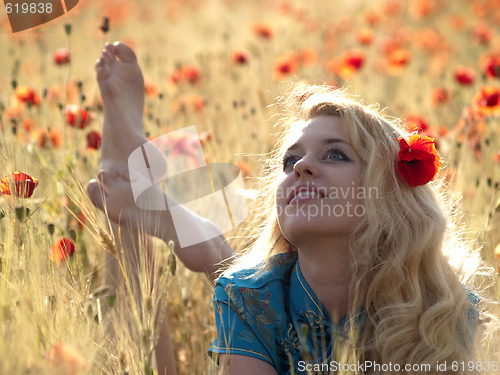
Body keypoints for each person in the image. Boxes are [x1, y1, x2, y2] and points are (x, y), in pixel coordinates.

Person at [88, 42, 490, 375]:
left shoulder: (442, 307)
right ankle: (129, 174)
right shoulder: (247, 297)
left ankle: (207, 243)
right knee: (140, 263)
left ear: (385, 193)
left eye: (335, 154)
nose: (300, 166)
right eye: (288, 161)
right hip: (260, 287)